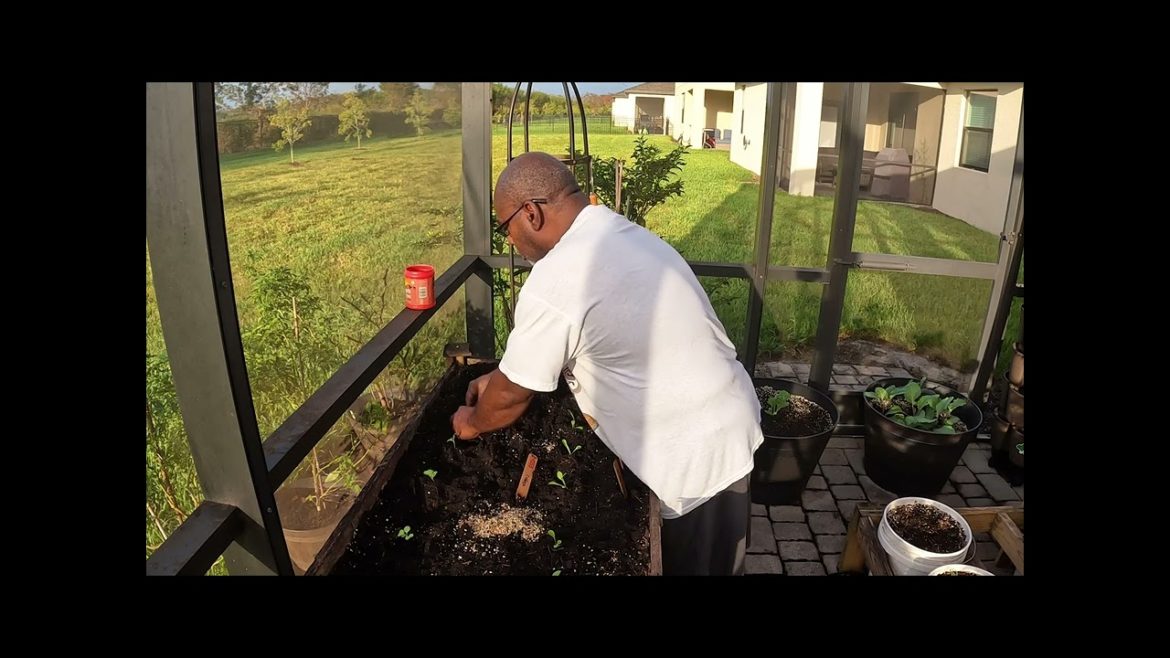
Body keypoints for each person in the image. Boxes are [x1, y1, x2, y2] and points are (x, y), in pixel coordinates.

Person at [451, 152, 763, 575]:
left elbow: (511, 397)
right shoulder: (615, 230)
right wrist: (500, 373)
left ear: (531, 213)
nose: (508, 241)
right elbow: (582, 337)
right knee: (726, 552)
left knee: (699, 562)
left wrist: (471, 422)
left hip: (694, 455)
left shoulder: (558, 275)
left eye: (506, 227)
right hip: (725, 418)